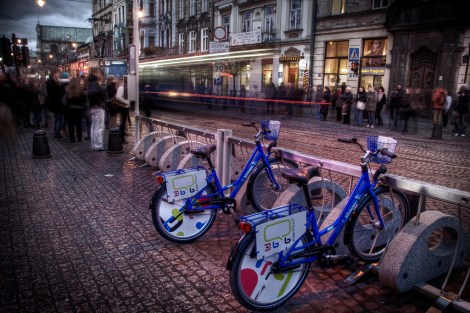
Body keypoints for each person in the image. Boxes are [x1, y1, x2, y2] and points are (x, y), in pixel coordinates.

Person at [87, 68, 106, 150]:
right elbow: (94, 93)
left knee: (94, 126)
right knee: (99, 127)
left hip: (94, 106)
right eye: (99, 73)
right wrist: (99, 101)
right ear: (96, 73)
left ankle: (94, 144)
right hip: (98, 106)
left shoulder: (90, 82)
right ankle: (98, 145)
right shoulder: (95, 83)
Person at [63, 77, 87, 143]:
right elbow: (84, 100)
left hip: (70, 109)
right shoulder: (80, 91)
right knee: (79, 124)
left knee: (71, 125)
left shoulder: (68, 91)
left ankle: (72, 139)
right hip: (79, 109)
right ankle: (79, 138)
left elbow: (65, 101)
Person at [46, 68, 65, 139]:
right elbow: (54, 92)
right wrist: (59, 85)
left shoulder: (56, 81)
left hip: (58, 103)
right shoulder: (50, 82)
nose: (59, 74)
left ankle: (57, 132)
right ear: (54, 73)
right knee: (58, 119)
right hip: (56, 103)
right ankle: (57, 133)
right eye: (58, 73)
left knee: (59, 119)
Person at [114, 77, 131, 144]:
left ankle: (122, 137)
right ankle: (122, 138)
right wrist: (126, 102)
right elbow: (118, 97)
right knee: (123, 123)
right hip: (123, 107)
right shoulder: (121, 87)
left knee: (123, 123)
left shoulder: (122, 87)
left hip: (124, 107)